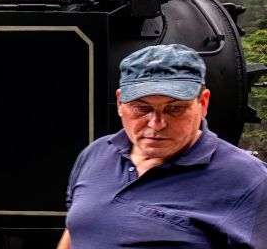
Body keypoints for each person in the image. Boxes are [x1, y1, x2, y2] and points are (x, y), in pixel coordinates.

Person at [58, 43, 267, 248]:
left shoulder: (250, 181)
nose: (156, 124)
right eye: (141, 108)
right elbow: (75, 230)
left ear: (203, 103)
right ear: (120, 104)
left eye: (174, 108)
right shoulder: (96, 153)